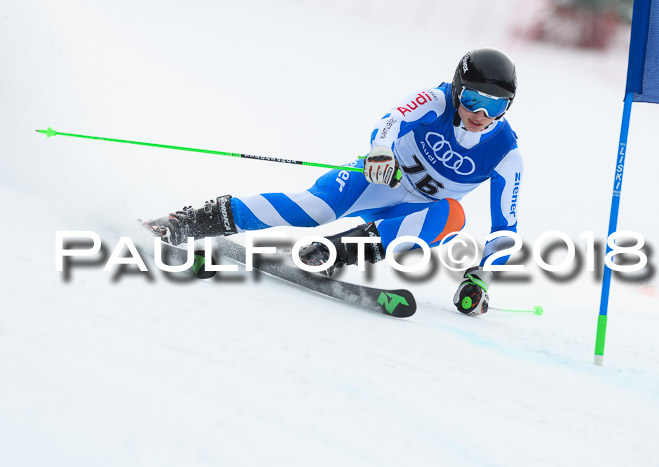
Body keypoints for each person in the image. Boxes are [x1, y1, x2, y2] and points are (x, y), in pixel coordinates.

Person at [145, 48, 522, 317]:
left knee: (452, 215)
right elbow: (392, 119)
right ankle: (195, 220)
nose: (480, 114)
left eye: (496, 106)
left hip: (415, 213)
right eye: (473, 98)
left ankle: (334, 252)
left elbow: (505, 229)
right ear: (458, 89)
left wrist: (480, 277)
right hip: (382, 177)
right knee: (315, 208)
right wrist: (381, 150)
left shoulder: (506, 152)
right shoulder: (435, 100)